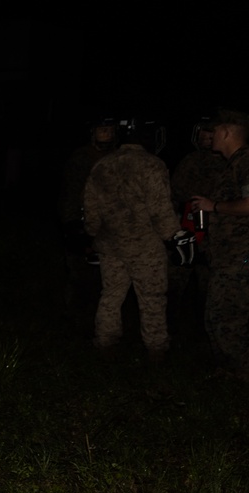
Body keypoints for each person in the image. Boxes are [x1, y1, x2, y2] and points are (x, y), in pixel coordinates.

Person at [82, 117, 189, 363]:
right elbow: (159, 208)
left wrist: (93, 232)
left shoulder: (102, 165)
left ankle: (105, 342)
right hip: (145, 246)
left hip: (111, 243)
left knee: (111, 294)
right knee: (151, 297)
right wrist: (174, 236)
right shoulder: (152, 165)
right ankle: (156, 349)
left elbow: (91, 207)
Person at [190, 108, 249, 381]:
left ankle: (236, 373)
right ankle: (229, 370)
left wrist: (214, 206)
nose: (210, 136)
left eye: (214, 132)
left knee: (227, 316)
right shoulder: (233, 164)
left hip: (241, 256)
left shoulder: (245, 162)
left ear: (226, 133)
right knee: (219, 314)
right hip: (228, 255)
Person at [56, 115, 118, 319]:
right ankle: (74, 316)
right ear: (93, 133)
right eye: (102, 130)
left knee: (107, 277)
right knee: (79, 273)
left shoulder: (119, 158)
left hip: (111, 225)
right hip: (81, 221)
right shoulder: (80, 158)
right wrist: (72, 225)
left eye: (110, 130)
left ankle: (98, 317)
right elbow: (70, 192)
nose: (106, 134)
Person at [167, 116, 223, 342]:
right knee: (174, 284)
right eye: (201, 132)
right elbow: (174, 193)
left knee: (208, 290)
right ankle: (168, 330)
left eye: (209, 132)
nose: (204, 137)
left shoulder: (231, 163)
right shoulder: (190, 160)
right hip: (188, 231)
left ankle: (203, 335)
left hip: (215, 235)